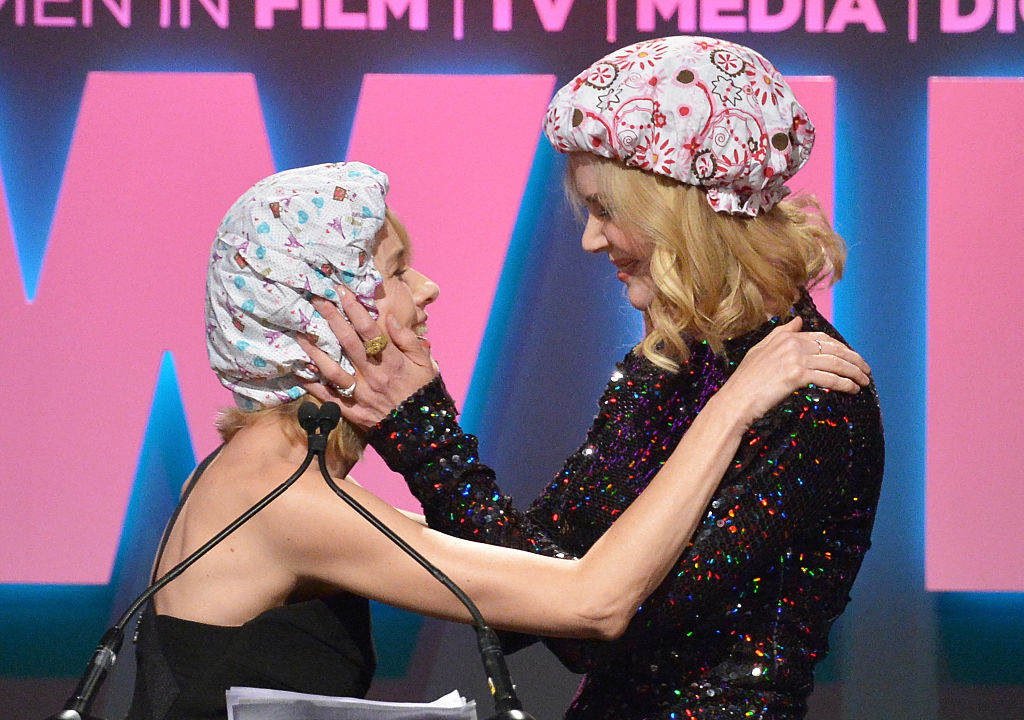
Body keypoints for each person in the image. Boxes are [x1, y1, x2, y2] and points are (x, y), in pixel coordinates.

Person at [126, 160, 870, 720]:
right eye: (397, 272)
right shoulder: (286, 499)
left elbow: (520, 569)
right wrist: (732, 407)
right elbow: (591, 603)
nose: (427, 290)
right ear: (323, 314)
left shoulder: (268, 477)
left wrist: (422, 433)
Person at [304, 37, 885, 720]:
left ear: (683, 208)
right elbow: (541, 583)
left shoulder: (811, 393)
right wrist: (400, 451)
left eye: (606, 210)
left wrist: (424, 436)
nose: (590, 238)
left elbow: (597, 623)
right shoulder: (670, 364)